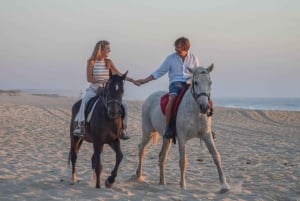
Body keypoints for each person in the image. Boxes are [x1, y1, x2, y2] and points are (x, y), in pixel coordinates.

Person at [136, 37, 201, 139]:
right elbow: (159, 72)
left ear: (185, 47)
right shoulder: (171, 58)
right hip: (176, 83)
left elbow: (198, 73)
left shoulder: (193, 57)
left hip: (189, 83)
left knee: (203, 98)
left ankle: (206, 128)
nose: (175, 49)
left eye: (178, 47)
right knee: (172, 99)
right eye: (175, 47)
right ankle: (168, 128)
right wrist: (144, 80)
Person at [73, 40, 139, 140]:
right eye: (108, 48)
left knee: (124, 105)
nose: (109, 50)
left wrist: (132, 80)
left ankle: (123, 129)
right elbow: (89, 78)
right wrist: (102, 80)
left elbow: (119, 74)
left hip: (107, 90)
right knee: (84, 102)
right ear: (101, 50)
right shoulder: (91, 61)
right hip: (94, 88)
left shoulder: (109, 62)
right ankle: (80, 126)